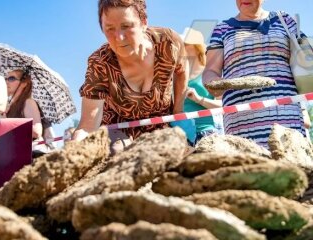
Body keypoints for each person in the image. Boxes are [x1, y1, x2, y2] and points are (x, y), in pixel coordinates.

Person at [73, 0, 188, 152]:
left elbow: (182, 69)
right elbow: (87, 126)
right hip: (117, 131)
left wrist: (178, 111)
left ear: (143, 22)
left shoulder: (168, 42)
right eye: (110, 28)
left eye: (126, 26)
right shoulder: (99, 63)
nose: (119, 37)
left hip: (162, 126)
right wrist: (73, 151)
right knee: (117, 151)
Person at [203, 0, 307, 148]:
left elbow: (306, 56)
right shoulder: (222, 29)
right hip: (240, 120)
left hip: (286, 115)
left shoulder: (284, 20)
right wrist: (213, 83)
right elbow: (210, 71)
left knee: (290, 166)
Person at [180, 28, 222, 144]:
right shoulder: (177, 74)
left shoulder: (209, 74)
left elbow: (223, 105)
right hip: (181, 135)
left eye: (186, 45)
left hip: (206, 132)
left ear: (197, 48)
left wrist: (198, 99)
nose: (183, 48)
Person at [4, 69, 43, 140]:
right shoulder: (8, 106)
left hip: (29, 150)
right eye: (5, 79)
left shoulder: (28, 102)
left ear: (23, 83)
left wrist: (8, 122)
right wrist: (3, 115)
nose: (6, 82)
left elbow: (36, 131)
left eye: (11, 78)